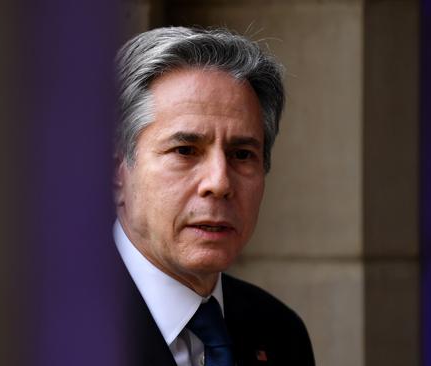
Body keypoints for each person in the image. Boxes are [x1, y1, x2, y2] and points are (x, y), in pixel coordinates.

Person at [113, 26, 315, 366]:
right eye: (185, 150)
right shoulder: (52, 330)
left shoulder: (281, 332)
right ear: (117, 171)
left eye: (241, 154)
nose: (219, 183)